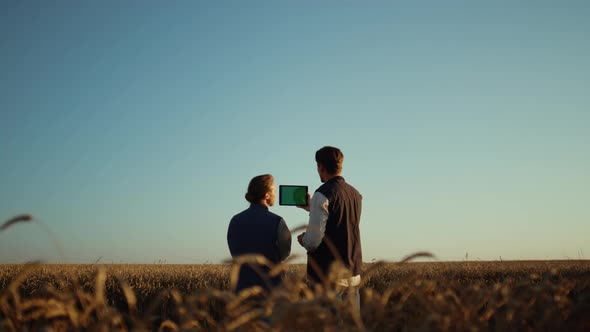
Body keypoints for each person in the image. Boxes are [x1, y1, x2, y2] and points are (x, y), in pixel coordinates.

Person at [296, 146, 362, 310]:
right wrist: (312, 207)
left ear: (321, 167)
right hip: (353, 272)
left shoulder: (322, 194)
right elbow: (339, 220)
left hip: (328, 276)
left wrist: (303, 239)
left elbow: (313, 242)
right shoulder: (355, 194)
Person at [227, 174, 292, 294]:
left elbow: (234, 252)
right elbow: (285, 251)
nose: (276, 195)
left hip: (241, 290)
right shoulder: (277, 221)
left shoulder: (234, 220)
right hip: (271, 288)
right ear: (267, 195)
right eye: (274, 191)